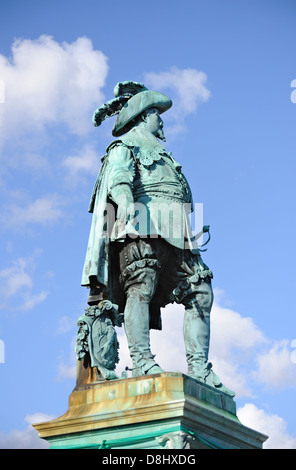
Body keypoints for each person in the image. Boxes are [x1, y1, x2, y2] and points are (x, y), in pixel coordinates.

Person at [81, 81, 234, 396]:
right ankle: (141, 360)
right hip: (141, 226)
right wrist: (126, 206)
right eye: (155, 113)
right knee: (142, 285)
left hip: (178, 233)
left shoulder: (165, 155)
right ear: (142, 116)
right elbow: (119, 181)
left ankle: (201, 369)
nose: (161, 120)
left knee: (201, 292)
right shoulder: (125, 147)